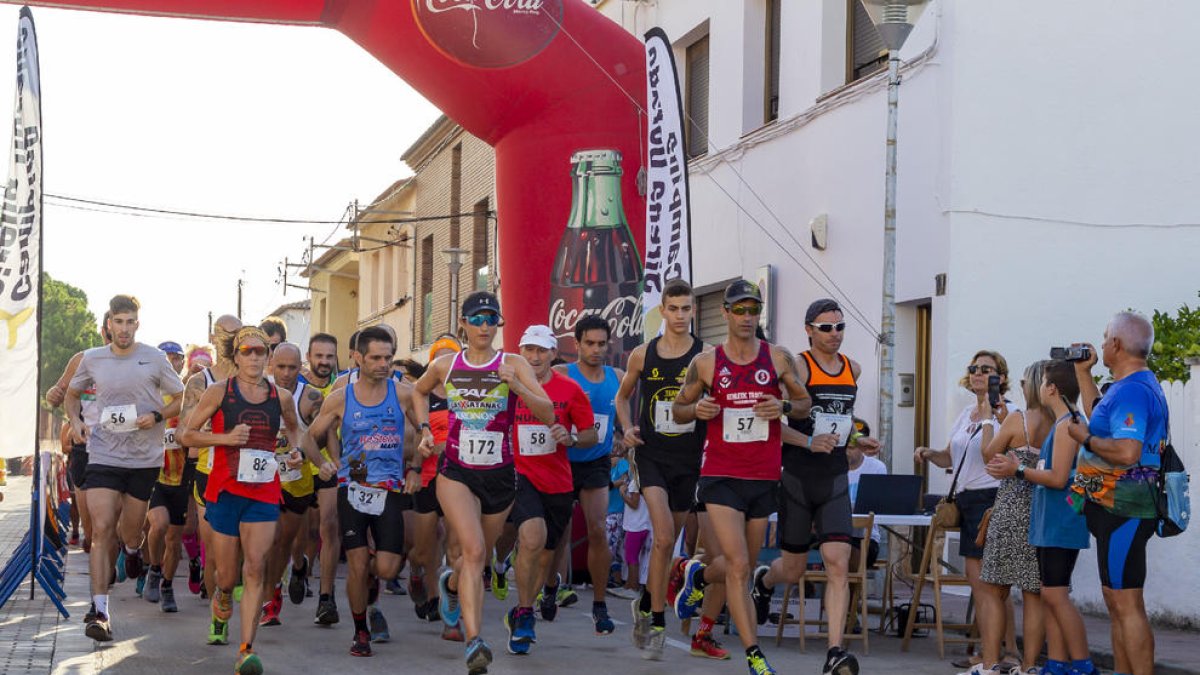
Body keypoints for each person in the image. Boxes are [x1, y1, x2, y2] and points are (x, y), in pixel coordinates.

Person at [670, 280, 812, 675]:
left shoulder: (777, 358)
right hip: (720, 475)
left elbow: (804, 403)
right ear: (725, 313)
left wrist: (783, 407)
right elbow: (677, 410)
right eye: (739, 310)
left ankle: (696, 573)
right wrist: (696, 410)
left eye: (753, 310)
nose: (747, 317)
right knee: (736, 565)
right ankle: (755, 655)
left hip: (762, 476)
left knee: (744, 567)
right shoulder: (706, 363)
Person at [412, 290, 554, 675]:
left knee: (478, 559)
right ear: (463, 323)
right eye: (476, 319)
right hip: (456, 471)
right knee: (473, 551)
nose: (484, 326)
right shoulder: (446, 365)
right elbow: (419, 391)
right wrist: (424, 429)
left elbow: (547, 412)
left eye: (491, 318)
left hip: (500, 476)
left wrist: (518, 386)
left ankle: (451, 586)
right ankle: (475, 641)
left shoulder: (513, 363)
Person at [749, 298, 879, 675]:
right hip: (797, 476)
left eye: (840, 327)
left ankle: (834, 651)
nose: (834, 334)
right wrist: (808, 442)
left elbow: (840, 420)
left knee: (838, 562)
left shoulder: (853, 369)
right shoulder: (798, 368)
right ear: (809, 330)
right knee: (793, 569)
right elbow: (773, 422)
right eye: (826, 328)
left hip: (834, 476)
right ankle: (765, 580)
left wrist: (857, 440)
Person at [179, 326, 304, 675]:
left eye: (260, 351)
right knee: (226, 575)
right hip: (225, 490)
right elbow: (186, 434)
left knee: (254, 567)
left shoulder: (281, 397)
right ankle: (221, 600)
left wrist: (295, 451)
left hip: (263, 491)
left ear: (268, 357)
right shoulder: (220, 391)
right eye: (247, 351)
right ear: (235, 356)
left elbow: (295, 428)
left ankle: (246, 650)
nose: (254, 357)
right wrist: (225, 438)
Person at [64, 296, 185, 642]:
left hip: (143, 460)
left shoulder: (154, 358)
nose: (124, 328)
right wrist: (75, 422)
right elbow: (72, 395)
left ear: (137, 324)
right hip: (103, 454)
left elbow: (180, 398)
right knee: (101, 529)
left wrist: (157, 415)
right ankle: (100, 611)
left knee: (130, 532)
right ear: (109, 325)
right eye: (118, 322)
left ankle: (132, 550)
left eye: (130, 322)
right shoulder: (93, 358)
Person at [615, 278, 718, 659]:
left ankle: (646, 600)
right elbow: (622, 397)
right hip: (651, 456)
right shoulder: (643, 354)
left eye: (686, 308)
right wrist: (628, 428)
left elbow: (721, 401)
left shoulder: (706, 355)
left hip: (688, 459)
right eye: (673, 309)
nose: (679, 315)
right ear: (663, 311)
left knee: (669, 539)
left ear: (694, 310)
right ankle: (657, 623)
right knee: (662, 538)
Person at [303, 326, 415, 657]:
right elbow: (309, 437)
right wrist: (323, 463)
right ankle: (360, 631)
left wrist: (417, 465)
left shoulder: (403, 394)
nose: (384, 364)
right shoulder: (341, 398)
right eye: (376, 358)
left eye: (388, 358)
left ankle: (372, 579)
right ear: (357, 358)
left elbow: (423, 432)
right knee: (356, 564)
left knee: (388, 568)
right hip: (352, 488)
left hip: (389, 488)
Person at [1067, 312, 1167, 675]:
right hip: (1113, 505)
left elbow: (1127, 451)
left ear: (1117, 344)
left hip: (1124, 508)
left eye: (1105, 336)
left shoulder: (1133, 391)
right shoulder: (1126, 387)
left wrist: (1085, 439)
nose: (1101, 343)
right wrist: (1083, 373)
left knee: (1126, 603)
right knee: (1116, 600)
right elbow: (1100, 416)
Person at [989, 359, 1099, 675]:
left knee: (1056, 596)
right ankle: (1057, 663)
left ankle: (1083, 664)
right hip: (1050, 521)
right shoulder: (1065, 421)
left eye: (1042, 382)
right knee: (1050, 595)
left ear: (1051, 388)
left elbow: (1057, 477)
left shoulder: (1067, 425)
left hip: (1061, 522)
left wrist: (1018, 469)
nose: (1037, 387)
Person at [502, 324, 597, 656]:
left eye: (542, 350)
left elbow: (590, 434)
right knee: (531, 538)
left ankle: (527, 604)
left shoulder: (570, 389)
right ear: (520, 352)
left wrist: (571, 438)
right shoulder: (506, 386)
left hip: (557, 482)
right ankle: (524, 615)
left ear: (553, 354)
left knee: (545, 556)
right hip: (519, 475)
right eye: (529, 349)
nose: (535, 357)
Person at [915, 349, 1013, 670]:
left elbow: (997, 457)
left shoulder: (1007, 413)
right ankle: (997, 653)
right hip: (966, 499)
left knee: (987, 585)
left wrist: (990, 416)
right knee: (986, 585)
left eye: (986, 369)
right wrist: (929, 453)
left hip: (991, 498)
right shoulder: (967, 413)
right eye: (974, 368)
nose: (978, 373)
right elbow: (950, 457)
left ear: (1001, 377)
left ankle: (993, 657)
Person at [972, 362, 1054, 675]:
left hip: (1011, 509)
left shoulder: (1018, 419)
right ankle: (1030, 665)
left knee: (994, 589)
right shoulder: (1060, 421)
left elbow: (988, 455)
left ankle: (991, 664)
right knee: (1034, 593)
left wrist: (989, 421)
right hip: (1043, 512)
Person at [550, 314, 623, 635]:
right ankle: (551, 587)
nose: (596, 349)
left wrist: (622, 435)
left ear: (609, 345)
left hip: (596, 463)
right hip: (562, 461)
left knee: (598, 529)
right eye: (590, 343)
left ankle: (599, 604)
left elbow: (623, 415)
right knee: (560, 532)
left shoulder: (618, 377)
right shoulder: (562, 374)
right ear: (576, 344)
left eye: (602, 344)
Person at [179, 315, 242, 610]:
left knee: (244, 548)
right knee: (215, 551)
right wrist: (221, 436)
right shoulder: (199, 382)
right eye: (224, 334)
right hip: (209, 472)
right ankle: (218, 617)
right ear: (213, 338)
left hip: (247, 475)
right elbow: (183, 434)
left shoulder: (255, 379)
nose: (230, 339)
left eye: (236, 333)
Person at [259, 342, 323, 627]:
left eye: (292, 368)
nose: (286, 373)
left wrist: (317, 460)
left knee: (285, 540)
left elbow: (322, 435)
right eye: (280, 366)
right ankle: (269, 597)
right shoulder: (256, 390)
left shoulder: (311, 396)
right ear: (270, 364)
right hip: (263, 477)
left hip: (297, 479)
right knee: (269, 540)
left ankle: (292, 570)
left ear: (301, 367)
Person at [405, 335, 461, 631]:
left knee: (454, 544)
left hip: (459, 477)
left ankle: (439, 599)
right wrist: (415, 469)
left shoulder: (466, 392)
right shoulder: (423, 394)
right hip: (427, 478)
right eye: (440, 359)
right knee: (425, 549)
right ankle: (415, 568)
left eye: (451, 359)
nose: (446, 365)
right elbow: (417, 435)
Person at [46, 311, 113, 555]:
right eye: (109, 333)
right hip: (86, 448)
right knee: (93, 531)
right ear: (103, 331)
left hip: (122, 449)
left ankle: (124, 553)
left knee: (115, 527)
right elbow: (57, 393)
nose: (114, 338)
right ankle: (103, 557)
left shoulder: (138, 362)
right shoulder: (83, 359)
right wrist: (53, 394)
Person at [143, 345, 195, 613]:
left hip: (182, 478)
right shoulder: (148, 395)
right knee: (159, 525)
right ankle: (154, 567)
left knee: (174, 540)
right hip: (155, 475)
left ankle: (166, 585)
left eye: (177, 359)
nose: (172, 363)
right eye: (167, 359)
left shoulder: (189, 397)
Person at [299, 332, 343, 625]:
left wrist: (335, 461)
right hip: (298, 467)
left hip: (331, 466)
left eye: (329, 356)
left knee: (329, 526)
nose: (324, 361)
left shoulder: (343, 386)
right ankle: (299, 568)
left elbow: (333, 431)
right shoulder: (297, 386)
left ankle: (326, 597)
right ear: (309, 357)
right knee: (302, 533)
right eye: (319, 356)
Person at [846, 419, 886, 572]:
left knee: (848, 553)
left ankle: (843, 586)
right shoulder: (832, 467)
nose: (848, 451)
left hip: (865, 537)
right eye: (846, 447)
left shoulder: (876, 468)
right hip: (834, 533)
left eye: (852, 447)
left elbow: (879, 506)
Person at [620, 460, 651, 596]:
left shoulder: (636, 482)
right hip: (642, 524)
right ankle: (629, 585)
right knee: (632, 556)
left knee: (631, 557)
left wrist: (622, 493)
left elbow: (634, 503)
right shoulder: (645, 481)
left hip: (635, 525)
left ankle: (633, 587)